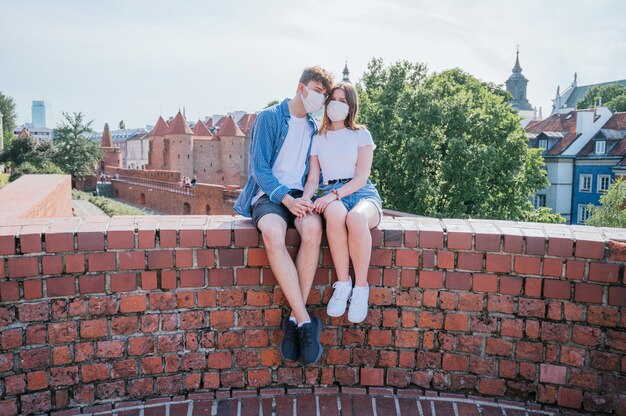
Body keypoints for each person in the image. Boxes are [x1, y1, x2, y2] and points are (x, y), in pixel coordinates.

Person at [234, 66, 334, 365]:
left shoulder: (315, 129)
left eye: (325, 95)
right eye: (317, 90)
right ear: (301, 88)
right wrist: (286, 200)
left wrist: (304, 200)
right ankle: (305, 321)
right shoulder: (269, 118)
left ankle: (294, 320)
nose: (321, 98)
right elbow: (260, 170)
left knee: (313, 231)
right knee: (274, 234)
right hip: (270, 196)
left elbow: (315, 173)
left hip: (300, 197)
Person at [302, 82, 383, 324]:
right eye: (333, 99)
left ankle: (360, 288)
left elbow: (361, 177)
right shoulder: (318, 138)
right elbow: (314, 178)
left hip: (360, 193)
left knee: (356, 219)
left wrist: (335, 195)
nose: (336, 105)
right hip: (329, 190)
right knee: (336, 215)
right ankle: (343, 283)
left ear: (351, 107)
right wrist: (306, 199)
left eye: (343, 100)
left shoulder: (361, 135)